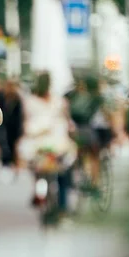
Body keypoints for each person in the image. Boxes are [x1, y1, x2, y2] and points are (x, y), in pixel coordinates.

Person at [18, 72, 76, 212]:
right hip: (58, 143)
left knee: (37, 168)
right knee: (62, 172)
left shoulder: (29, 102)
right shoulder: (59, 102)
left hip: (35, 144)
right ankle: (62, 206)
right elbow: (68, 122)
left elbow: (25, 123)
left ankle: (39, 191)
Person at [3, 80, 24, 175]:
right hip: (8, 128)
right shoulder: (6, 98)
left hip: (14, 128)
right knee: (10, 146)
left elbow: (19, 116)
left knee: (15, 148)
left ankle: (16, 167)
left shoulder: (16, 99)